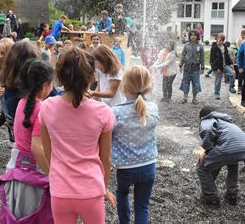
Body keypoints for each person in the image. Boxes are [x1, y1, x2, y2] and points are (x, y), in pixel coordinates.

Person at [40, 47, 117, 223]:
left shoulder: (47, 107)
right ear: (91, 77)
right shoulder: (103, 112)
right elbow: (105, 158)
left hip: (60, 190)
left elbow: (48, 153)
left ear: (59, 76)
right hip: (91, 189)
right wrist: (103, 188)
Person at [112, 65, 159, 224]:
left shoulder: (116, 112)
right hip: (148, 165)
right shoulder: (153, 108)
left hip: (125, 168)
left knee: (122, 193)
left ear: (124, 87)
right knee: (142, 206)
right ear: (148, 87)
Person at [196, 106, 245, 208]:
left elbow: (208, 130)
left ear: (201, 117)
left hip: (229, 148)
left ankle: (210, 198)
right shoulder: (225, 122)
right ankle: (232, 195)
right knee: (232, 162)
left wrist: (206, 149)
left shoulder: (207, 119)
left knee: (202, 166)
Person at [7, 59, 53, 173]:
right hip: (33, 170)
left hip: (16, 165)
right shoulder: (41, 109)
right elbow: (37, 147)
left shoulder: (21, 102)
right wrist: (52, 174)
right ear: (44, 85)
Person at [179, 29, 205, 105]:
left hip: (196, 69)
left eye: (195, 35)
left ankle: (194, 98)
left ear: (198, 36)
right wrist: (181, 65)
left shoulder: (200, 46)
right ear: (189, 36)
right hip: (187, 68)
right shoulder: (186, 45)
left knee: (196, 84)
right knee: (185, 83)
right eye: (191, 35)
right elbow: (183, 56)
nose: (193, 37)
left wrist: (202, 67)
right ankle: (185, 98)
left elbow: (202, 58)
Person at [210, 33, 236, 100]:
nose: (221, 42)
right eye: (220, 40)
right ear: (217, 39)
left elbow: (227, 56)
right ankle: (216, 93)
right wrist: (215, 68)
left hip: (225, 65)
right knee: (218, 80)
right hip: (218, 67)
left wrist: (230, 64)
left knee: (233, 73)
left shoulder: (224, 46)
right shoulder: (214, 48)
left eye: (222, 40)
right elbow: (211, 60)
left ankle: (231, 86)